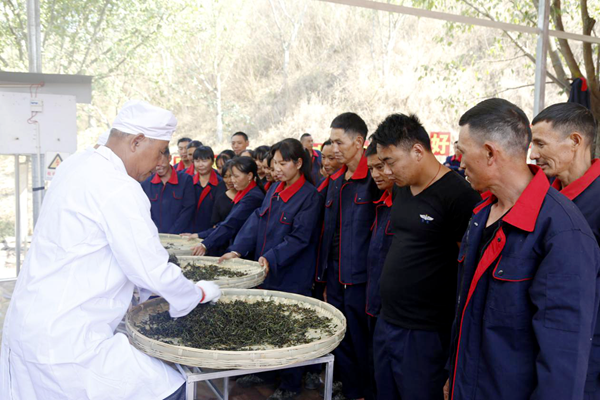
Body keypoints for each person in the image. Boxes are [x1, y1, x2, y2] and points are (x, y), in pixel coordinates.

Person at [0, 100, 221, 400]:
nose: (160, 163)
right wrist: (197, 294)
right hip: (68, 338)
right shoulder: (118, 187)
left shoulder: (77, 164)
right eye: (158, 152)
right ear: (136, 142)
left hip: (30, 324)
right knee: (170, 390)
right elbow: (151, 269)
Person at [445, 98, 600, 400]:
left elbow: (564, 354)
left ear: (490, 153)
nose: (459, 162)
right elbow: (465, 311)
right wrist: (454, 373)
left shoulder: (563, 230)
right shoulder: (480, 215)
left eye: (463, 152)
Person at [371, 113, 480, 400]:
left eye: (390, 161)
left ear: (418, 151)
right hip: (388, 321)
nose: (387, 171)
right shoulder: (403, 188)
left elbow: (467, 265)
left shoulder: (458, 195)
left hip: (425, 333)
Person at [221, 139, 323, 399]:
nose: (276, 169)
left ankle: (290, 384)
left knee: (290, 328)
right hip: (267, 271)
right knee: (266, 324)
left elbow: (300, 238)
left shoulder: (309, 196)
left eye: (282, 163)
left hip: (292, 275)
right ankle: (266, 373)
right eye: (274, 163)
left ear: (299, 163)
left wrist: (271, 257)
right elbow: (257, 221)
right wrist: (238, 249)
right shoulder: (274, 189)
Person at [530, 102, 600, 399]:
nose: (533, 154)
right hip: (543, 338)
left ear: (574, 141)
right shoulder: (542, 194)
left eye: (540, 144)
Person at [316, 112, 380, 400]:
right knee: (340, 337)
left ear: (359, 142)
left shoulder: (375, 179)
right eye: (331, 142)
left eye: (339, 142)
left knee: (362, 340)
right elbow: (329, 234)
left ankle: (367, 391)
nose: (334, 149)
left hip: (363, 280)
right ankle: (352, 391)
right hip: (336, 276)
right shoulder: (336, 180)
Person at [189, 157, 265, 256]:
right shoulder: (244, 194)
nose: (232, 180)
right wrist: (200, 235)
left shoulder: (253, 197)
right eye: (231, 176)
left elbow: (232, 223)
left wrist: (206, 244)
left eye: (236, 176)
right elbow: (225, 223)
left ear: (249, 176)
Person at [141, 147, 196, 234]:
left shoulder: (185, 180)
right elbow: (145, 213)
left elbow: (188, 209)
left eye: (162, 162)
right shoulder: (146, 184)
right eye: (156, 164)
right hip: (155, 236)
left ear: (169, 158)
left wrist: (172, 233)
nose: (159, 167)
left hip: (180, 236)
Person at [191, 146, 225, 233]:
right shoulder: (189, 182)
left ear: (212, 161)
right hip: (191, 231)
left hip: (213, 231)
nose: (200, 164)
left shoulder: (221, 183)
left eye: (204, 161)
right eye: (197, 161)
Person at [210, 160, 237, 227]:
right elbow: (215, 222)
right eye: (225, 177)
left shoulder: (249, 195)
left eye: (231, 176)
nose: (229, 181)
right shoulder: (221, 191)